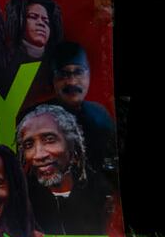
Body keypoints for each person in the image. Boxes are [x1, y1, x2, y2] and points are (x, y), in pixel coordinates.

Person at [16, 104, 113, 237]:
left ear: (72, 144)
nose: (38, 155)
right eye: (29, 145)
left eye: (49, 140)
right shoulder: (21, 200)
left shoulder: (101, 193)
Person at [49, 41, 115, 182]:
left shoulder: (100, 115)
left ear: (89, 75)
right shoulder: (38, 118)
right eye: (64, 74)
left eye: (78, 72)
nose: (72, 82)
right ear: (53, 79)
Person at [0, 0, 62, 104]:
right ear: (18, 21)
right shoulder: (1, 59)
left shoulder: (57, 65)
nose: (41, 23)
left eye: (46, 21)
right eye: (33, 17)